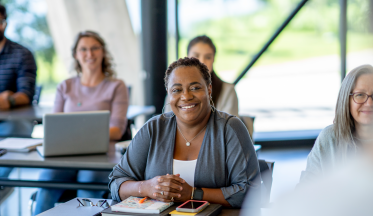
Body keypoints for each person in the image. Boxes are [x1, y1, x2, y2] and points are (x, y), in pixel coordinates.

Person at [109, 57, 260, 208]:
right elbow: (117, 182)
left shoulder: (231, 128)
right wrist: (147, 187)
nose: (186, 96)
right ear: (169, 94)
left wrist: (193, 194)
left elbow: (250, 191)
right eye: (177, 90)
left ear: (209, 89)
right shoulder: (153, 128)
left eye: (195, 88)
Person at [34, 31, 129, 215]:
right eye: (83, 49)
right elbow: (55, 128)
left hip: (101, 157)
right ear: (76, 55)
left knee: (88, 184)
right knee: (46, 182)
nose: (89, 54)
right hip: (66, 157)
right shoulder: (65, 86)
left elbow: (117, 131)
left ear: (103, 52)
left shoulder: (117, 86)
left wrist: (76, 136)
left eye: (95, 48)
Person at [299, 64, 373, 185]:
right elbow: (305, 191)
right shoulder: (329, 139)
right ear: (346, 100)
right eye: (360, 95)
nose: (369, 103)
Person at [166, 35, 239, 116]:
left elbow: (230, 127)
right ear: (187, 57)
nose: (202, 62)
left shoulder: (227, 90)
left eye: (208, 57)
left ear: (213, 59)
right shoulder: (174, 89)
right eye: (196, 56)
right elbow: (168, 123)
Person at [0, 3, 37, 137]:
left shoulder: (22, 54)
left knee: (14, 128)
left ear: (4, 24)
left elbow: (26, 94)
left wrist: (9, 100)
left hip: (12, 121)